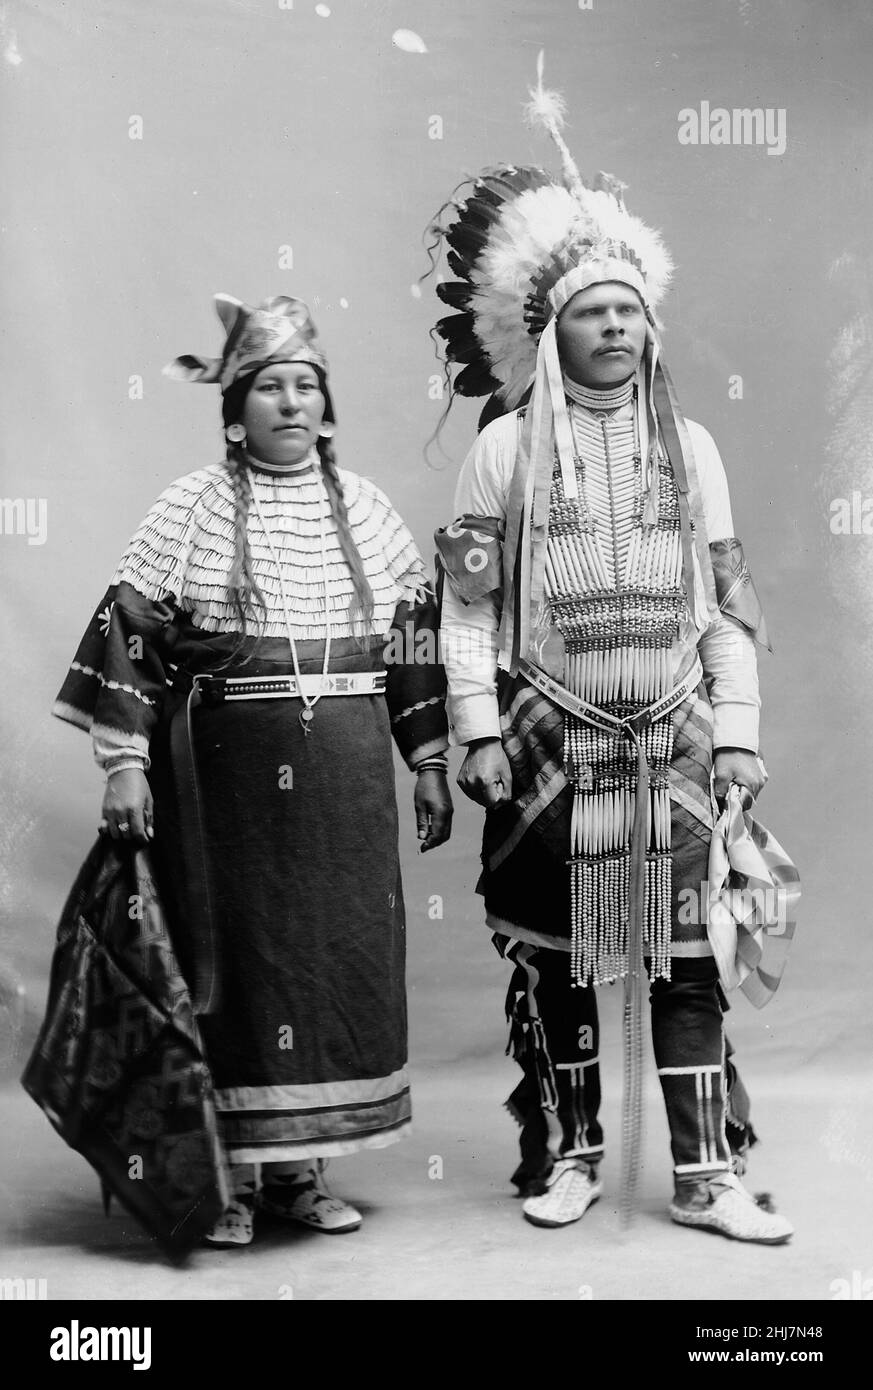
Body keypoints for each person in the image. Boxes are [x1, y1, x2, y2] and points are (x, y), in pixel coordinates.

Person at [428, 58, 792, 1241]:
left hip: (673, 737)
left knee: (689, 959)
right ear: (551, 328)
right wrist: (475, 731)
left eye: (633, 310)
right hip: (549, 743)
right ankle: (569, 1156)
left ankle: (706, 1176)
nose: (620, 327)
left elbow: (725, 605)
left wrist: (735, 733)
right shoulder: (505, 453)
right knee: (568, 961)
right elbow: (469, 609)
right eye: (596, 311)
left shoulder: (692, 447)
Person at [52, 293, 452, 1246]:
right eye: (269, 385)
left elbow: (414, 644)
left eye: (306, 385)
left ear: (327, 406)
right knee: (232, 966)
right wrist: (124, 765)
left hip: (346, 788)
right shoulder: (184, 509)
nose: (290, 402)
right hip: (224, 785)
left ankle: (299, 1178)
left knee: (327, 964)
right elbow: (128, 641)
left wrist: (428, 761)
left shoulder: (369, 510)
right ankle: (223, 1174)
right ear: (235, 406)